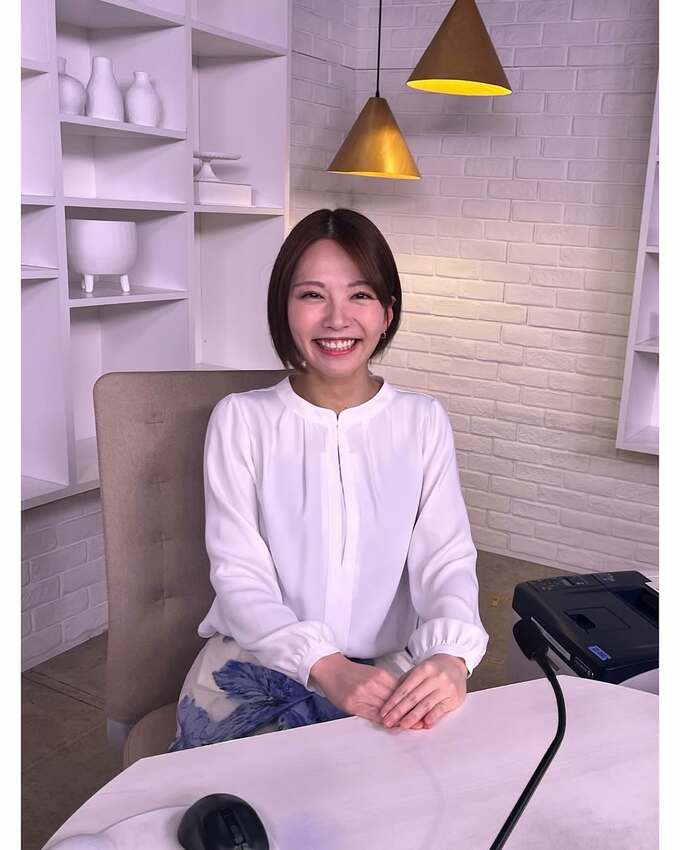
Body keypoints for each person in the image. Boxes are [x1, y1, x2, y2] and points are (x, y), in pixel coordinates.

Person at [170, 208, 489, 750]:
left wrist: (450, 656)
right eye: (313, 295)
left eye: (360, 295)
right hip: (258, 664)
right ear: (284, 310)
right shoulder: (241, 420)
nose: (337, 319)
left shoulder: (422, 420)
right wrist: (325, 666)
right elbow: (239, 574)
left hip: (389, 673)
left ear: (387, 313)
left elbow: (446, 560)